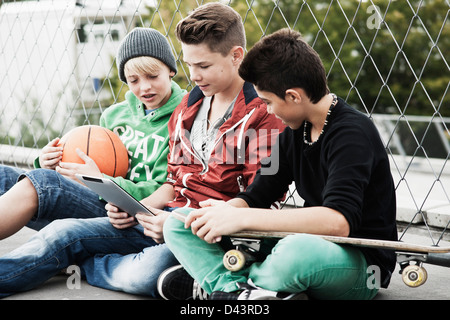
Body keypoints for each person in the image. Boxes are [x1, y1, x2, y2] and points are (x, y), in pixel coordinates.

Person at [0, 4, 284, 298]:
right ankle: (86, 260)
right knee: (64, 233)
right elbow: (174, 184)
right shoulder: (190, 109)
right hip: (160, 219)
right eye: (189, 65)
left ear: (236, 55)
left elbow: (260, 201)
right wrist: (138, 210)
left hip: (207, 235)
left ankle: (85, 264)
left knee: (146, 273)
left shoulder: (264, 116)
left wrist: (177, 223)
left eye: (204, 66)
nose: (194, 76)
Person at [161, 28, 398, 300]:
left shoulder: (353, 134)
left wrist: (241, 217)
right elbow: (257, 194)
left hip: (359, 261)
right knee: (180, 222)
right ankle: (240, 291)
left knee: (297, 251)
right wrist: (225, 212)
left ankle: (240, 287)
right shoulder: (294, 132)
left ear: (294, 96)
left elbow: (338, 222)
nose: (268, 111)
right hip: (304, 244)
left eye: (268, 102)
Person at [0, 27, 186, 297]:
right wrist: (49, 158)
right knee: (8, 176)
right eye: (133, 80)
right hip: (100, 199)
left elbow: (170, 187)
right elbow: (93, 157)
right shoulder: (115, 115)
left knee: (47, 187)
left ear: (170, 70)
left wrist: (101, 180)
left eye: (152, 76)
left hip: (133, 214)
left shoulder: (186, 115)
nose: (144, 87)